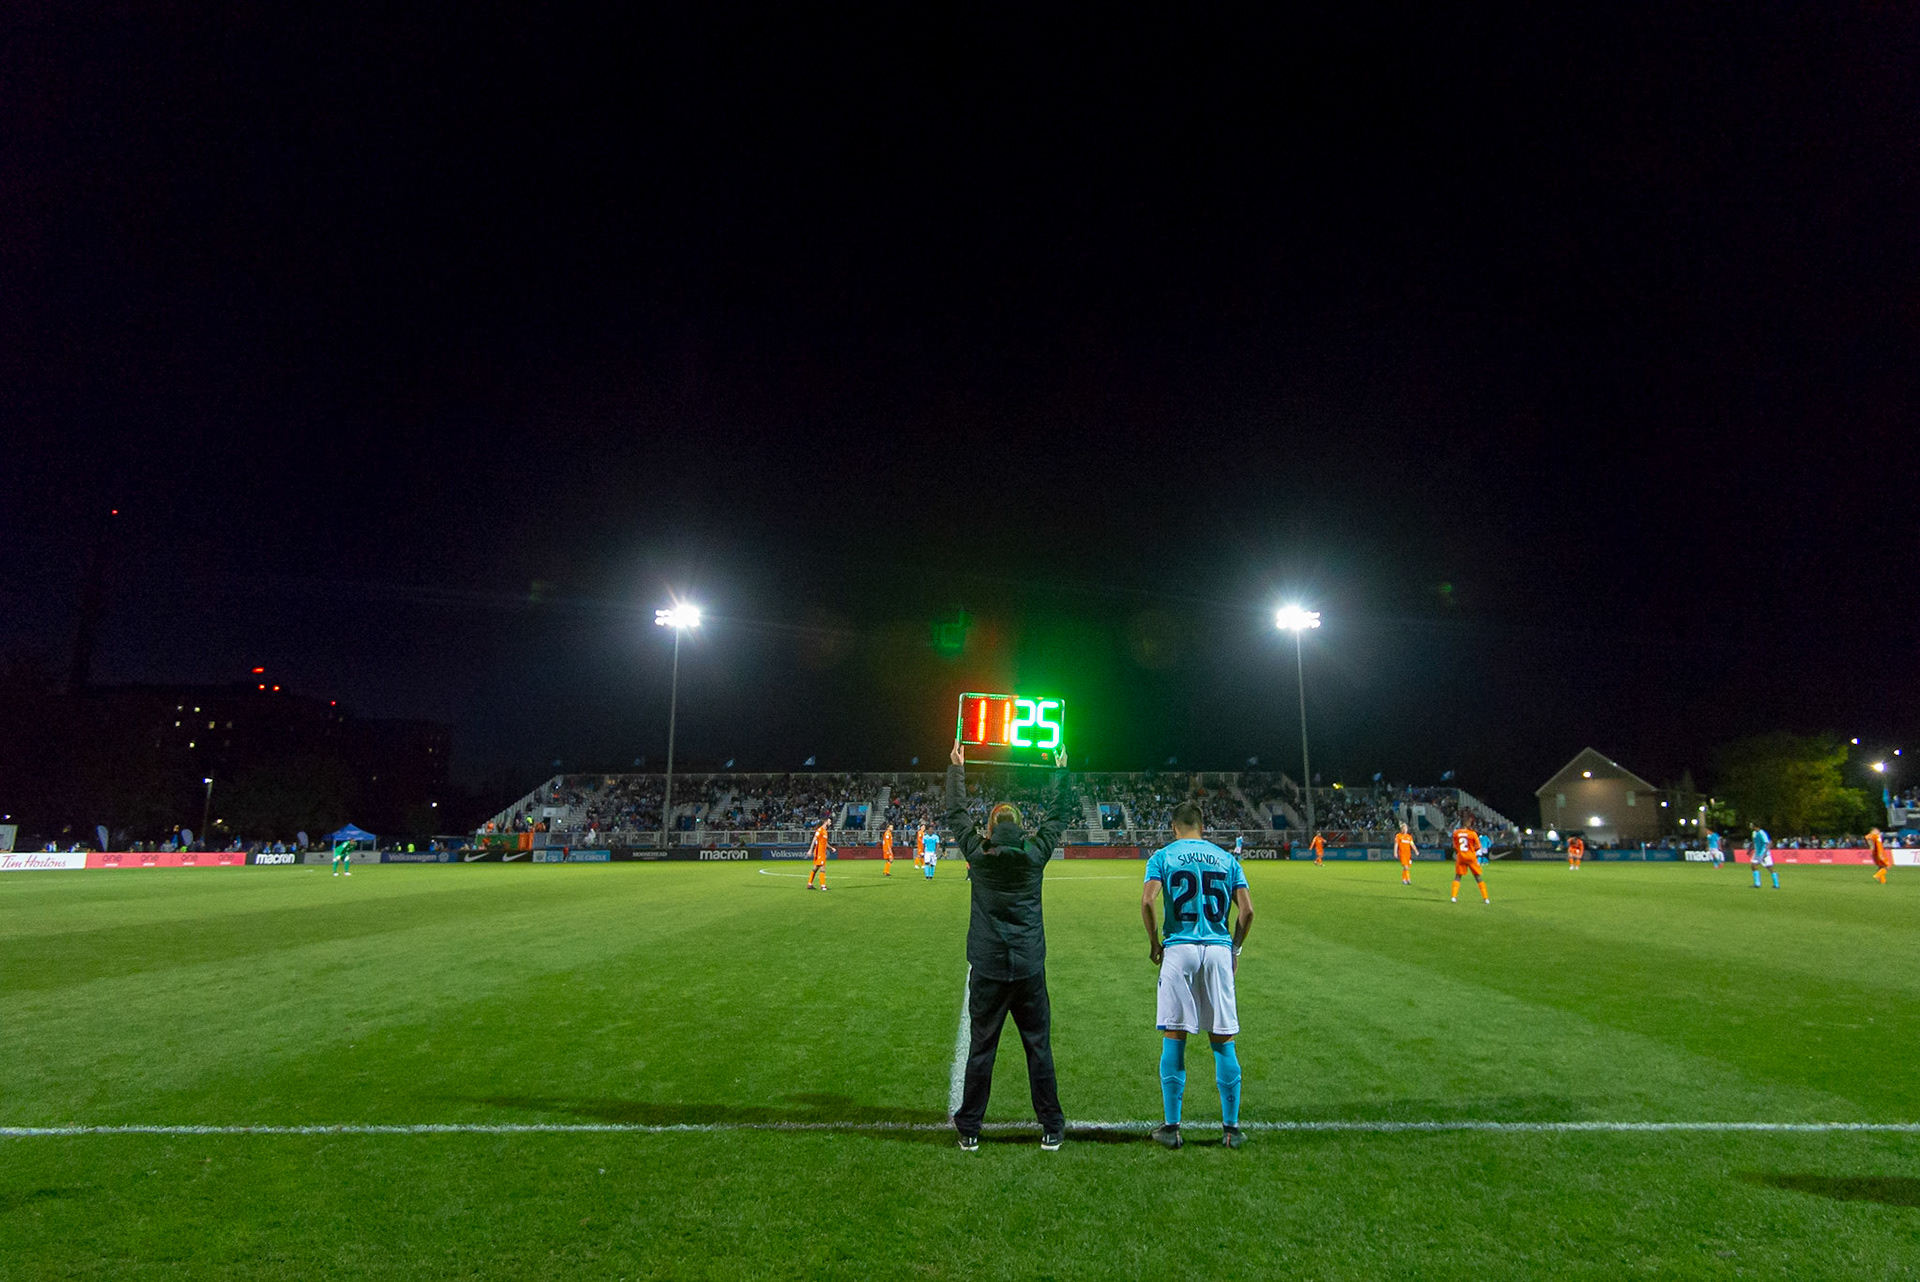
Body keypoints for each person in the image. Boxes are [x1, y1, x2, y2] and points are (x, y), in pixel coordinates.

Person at [947, 738, 1072, 1152]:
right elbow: (1057, 816)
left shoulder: (979, 855)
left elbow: (955, 814)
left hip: (987, 967)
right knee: (1038, 1047)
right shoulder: (1035, 854)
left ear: (991, 827)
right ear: (1021, 826)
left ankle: (969, 1128)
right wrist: (1060, 772)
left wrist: (957, 769)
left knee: (982, 1048)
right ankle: (1051, 1126)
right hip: (1029, 967)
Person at [1141, 800, 1254, 1151]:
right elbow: (1248, 911)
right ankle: (1231, 1129)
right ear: (1202, 827)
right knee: (1223, 1039)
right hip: (1219, 951)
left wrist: (1154, 943)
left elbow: (1147, 901)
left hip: (1180, 949)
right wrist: (1234, 949)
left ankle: (1172, 1128)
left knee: (1175, 1036)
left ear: (1174, 827)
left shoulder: (1163, 856)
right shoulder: (1226, 859)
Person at [1451, 825, 1489, 904]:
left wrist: (1460, 851)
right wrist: (1472, 850)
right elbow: (1478, 846)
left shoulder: (1456, 833)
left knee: (1458, 876)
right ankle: (1485, 898)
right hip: (1471, 857)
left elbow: (1454, 845)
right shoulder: (1472, 833)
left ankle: (1453, 897)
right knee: (1477, 877)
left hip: (1461, 856)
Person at [805, 818, 833, 890]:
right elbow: (814, 839)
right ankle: (823, 886)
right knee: (822, 867)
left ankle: (809, 884)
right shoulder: (820, 830)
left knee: (815, 868)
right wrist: (810, 850)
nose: (831, 822)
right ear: (825, 821)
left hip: (822, 852)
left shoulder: (825, 831)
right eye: (829, 821)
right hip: (819, 852)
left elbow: (824, 842)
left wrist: (831, 848)